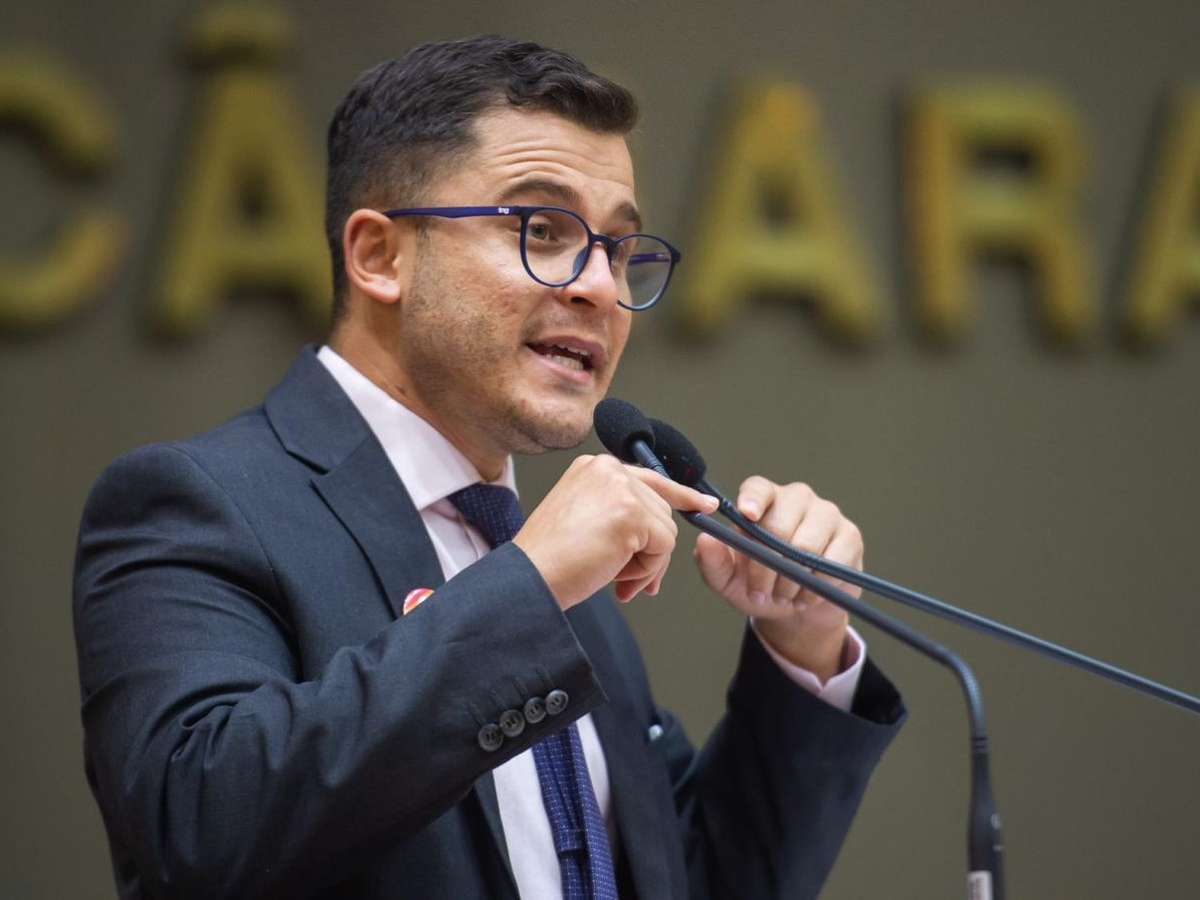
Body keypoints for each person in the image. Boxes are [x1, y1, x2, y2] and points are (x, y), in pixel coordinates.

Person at [73, 36, 905, 900]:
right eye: (542, 231)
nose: (598, 288)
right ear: (380, 256)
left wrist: (803, 646)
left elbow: (694, 881)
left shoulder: (549, 565)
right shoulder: (196, 506)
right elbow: (197, 829)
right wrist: (530, 588)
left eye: (619, 250)